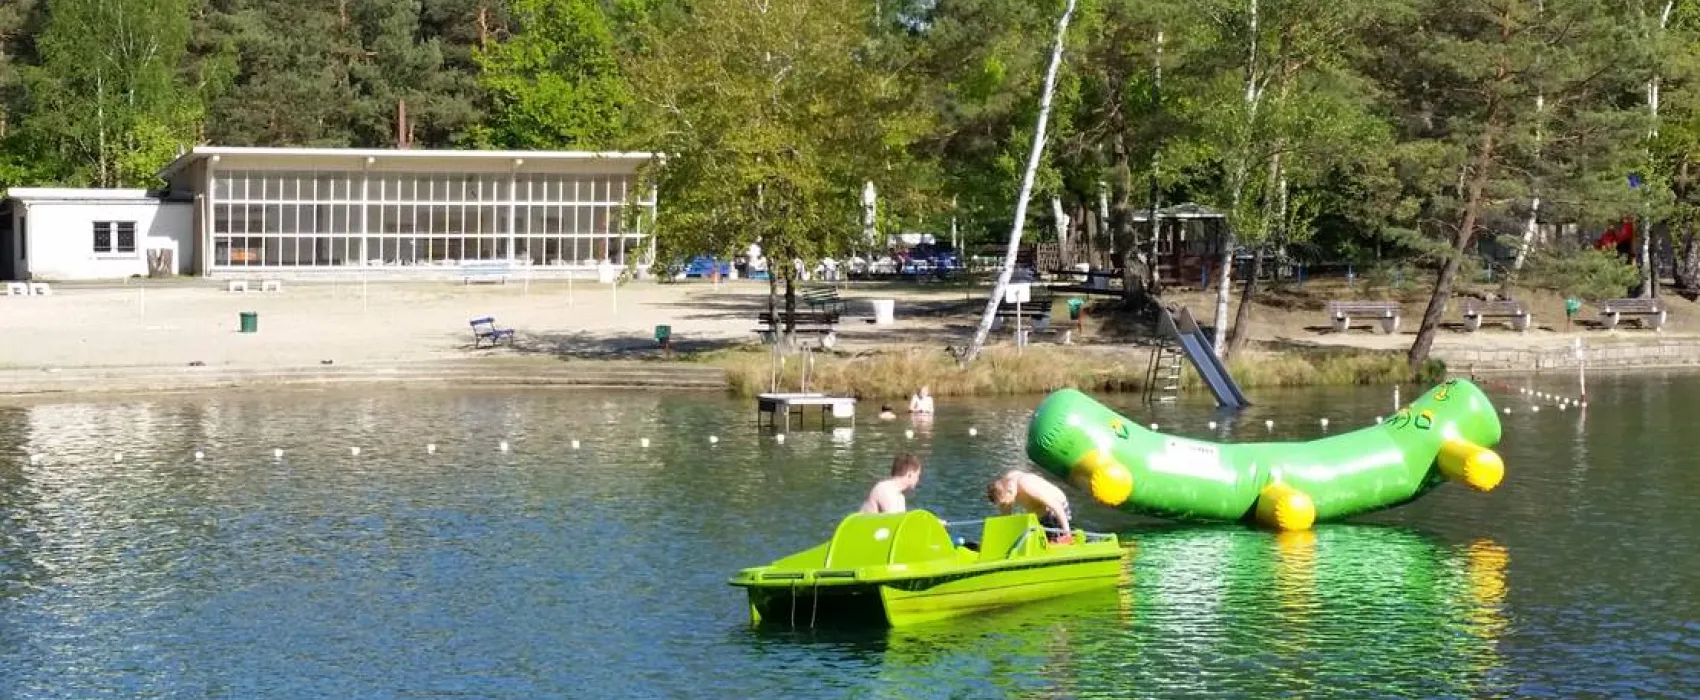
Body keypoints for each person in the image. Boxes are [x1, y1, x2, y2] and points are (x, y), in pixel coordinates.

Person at [986, 469, 1073, 543]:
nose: (1005, 505)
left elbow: (1056, 506)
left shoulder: (1027, 485)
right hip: (1039, 515)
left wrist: (1067, 534)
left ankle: (1066, 535)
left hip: (1055, 511)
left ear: (1008, 492)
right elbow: (1006, 515)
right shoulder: (1006, 482)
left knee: (1051, 542)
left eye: (1004, 503)